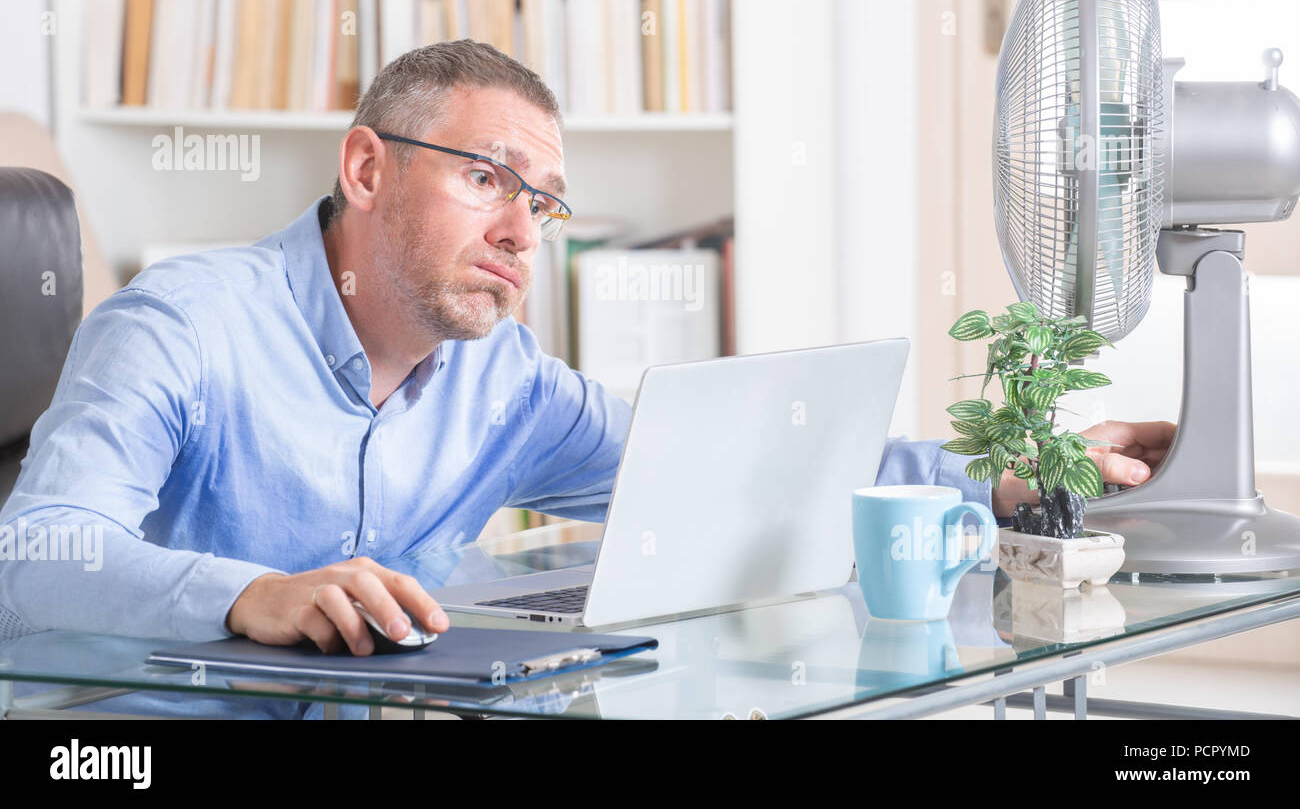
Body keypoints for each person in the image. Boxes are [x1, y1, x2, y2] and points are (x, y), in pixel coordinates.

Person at [0, 40, 1173, 713]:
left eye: (544, 203)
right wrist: (249, 592)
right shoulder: (181, 327)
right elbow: (33, 552)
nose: (523, 229)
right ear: (365, 167)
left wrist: (1012, 480)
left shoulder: (500, 382)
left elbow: (743, 476)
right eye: (487, 179)